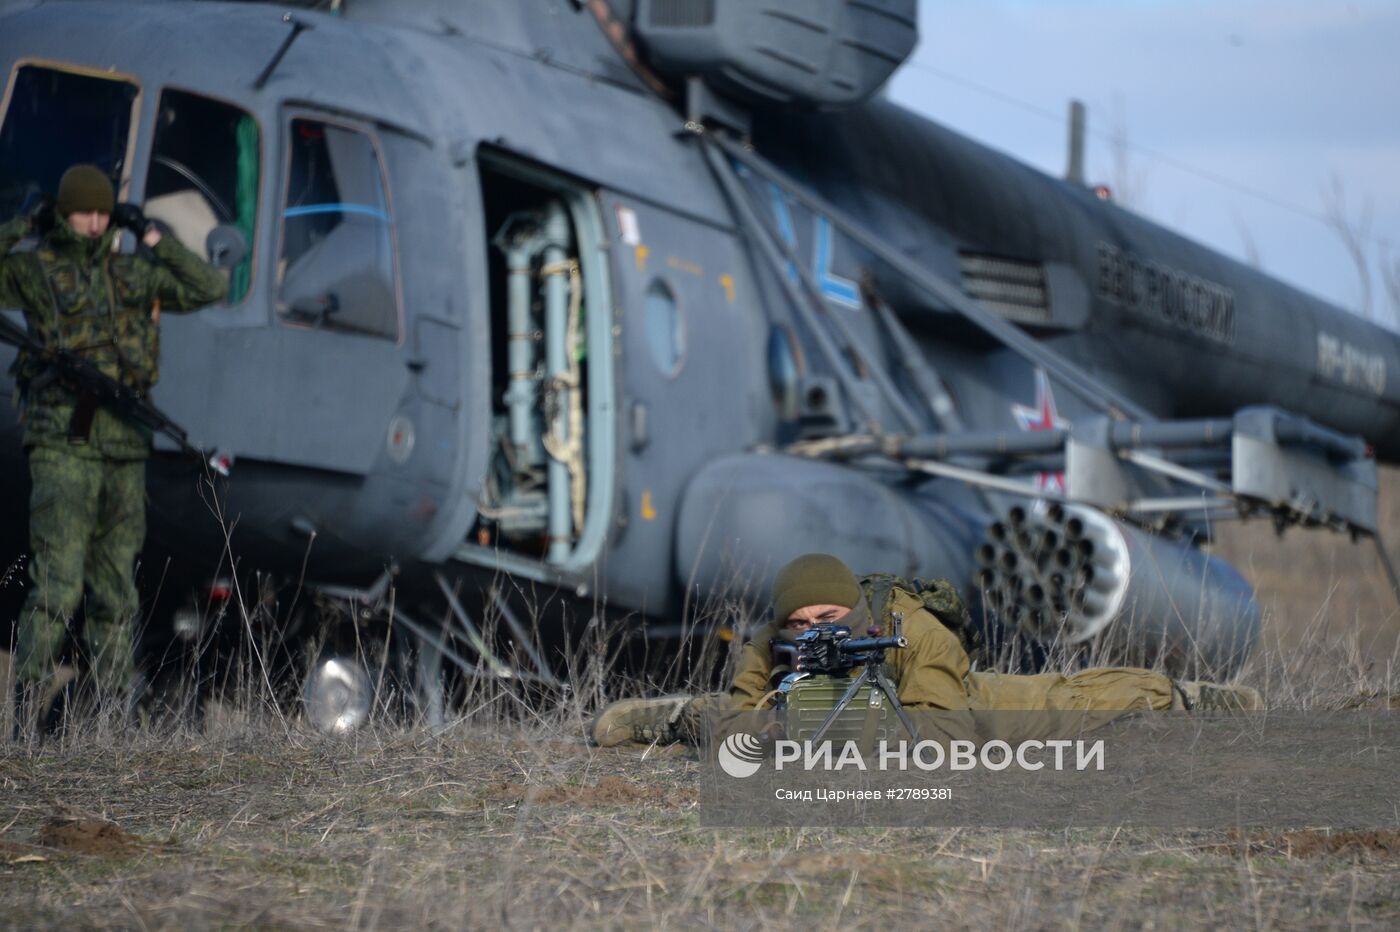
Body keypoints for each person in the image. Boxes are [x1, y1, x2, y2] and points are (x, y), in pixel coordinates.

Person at [591, 552, 1262, 747]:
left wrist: (842, 726)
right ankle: (666, 715)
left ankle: (1189, 697)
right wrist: (774, 726)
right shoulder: (771, 643)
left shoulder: (911, 628)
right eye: (802, 623)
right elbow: (741, 716)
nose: (816, 631)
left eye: (831, 618)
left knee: (1060, 702)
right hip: (826, 716)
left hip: (941, 701)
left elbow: (945, 734)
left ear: (855, 612)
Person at [2, 164, 227, 737]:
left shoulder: (133, 273)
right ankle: (23, 716)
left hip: (125, 450)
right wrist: (23, 225)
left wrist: (152, 236)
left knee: (116, 592)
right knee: (56, 585)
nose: (95, 222)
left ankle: (105, 718)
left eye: (103, 213)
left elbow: (210, 286)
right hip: (63, 447)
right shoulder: (34, 270)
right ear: (63, 212)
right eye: (83, 211)